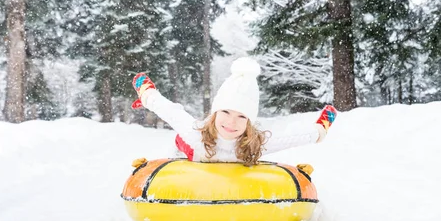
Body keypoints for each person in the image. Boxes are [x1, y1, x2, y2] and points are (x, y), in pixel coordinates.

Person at [131, 57, 337, 166]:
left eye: (241, 116)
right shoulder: (195, 133)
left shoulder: (253, 145)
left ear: (249, 122)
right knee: (179, 140)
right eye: (226, 112)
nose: (231, 122)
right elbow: (172, 112)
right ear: (215, 113)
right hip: (188, 152)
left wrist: (320, 129)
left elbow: (291, 137)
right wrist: (147, 93)